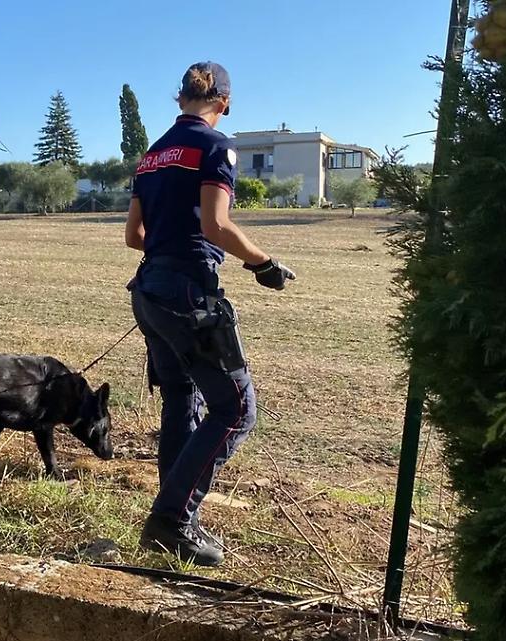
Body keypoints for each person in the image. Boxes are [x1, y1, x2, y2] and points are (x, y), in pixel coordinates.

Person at [125, 61, 296, 566]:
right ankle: (171, 522)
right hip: (187, 295)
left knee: (181, 397)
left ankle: (173, 509)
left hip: (150, 291)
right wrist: (263, 263)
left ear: (181, 100)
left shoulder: (152, 155)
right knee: (236, 410)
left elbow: (134, 236)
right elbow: (217, 224)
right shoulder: (216, 147)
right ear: (224, 102)